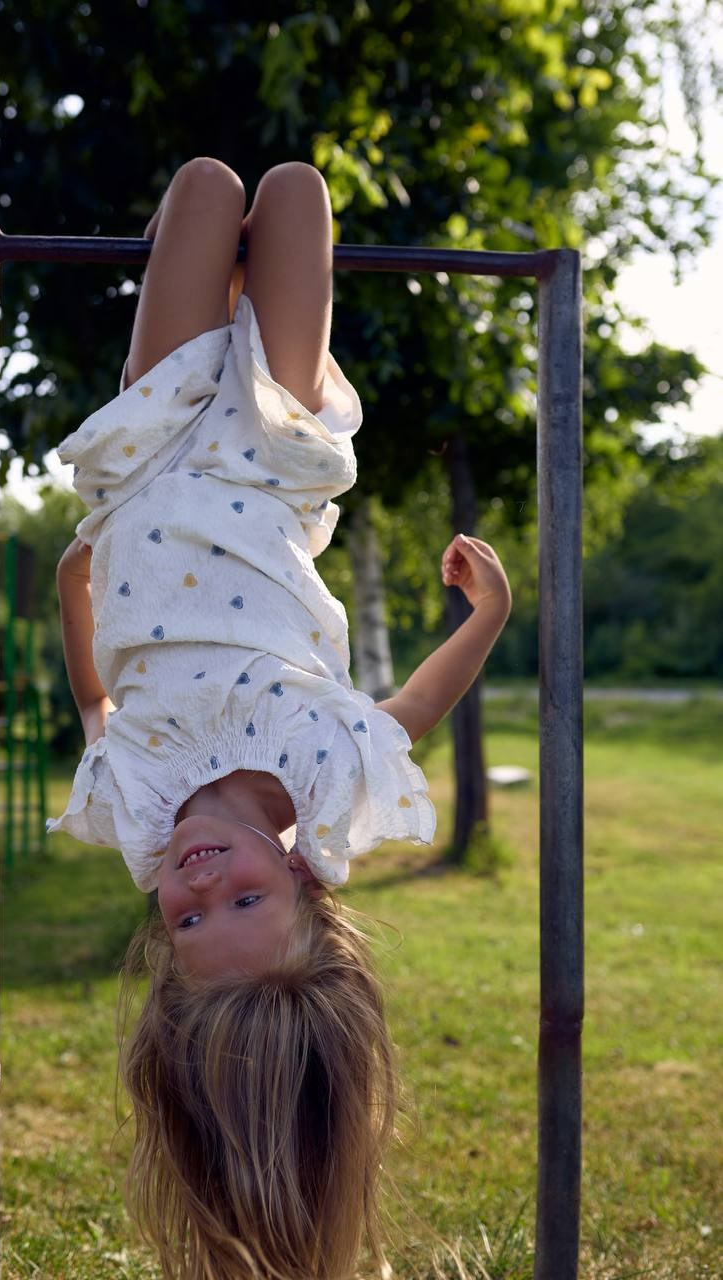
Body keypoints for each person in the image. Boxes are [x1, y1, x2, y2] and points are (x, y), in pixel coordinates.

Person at [48, 158, 511, 1280]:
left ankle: (210, 251)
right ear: (305, 884)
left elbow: (95, 702)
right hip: (266, 463)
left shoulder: (143, 810)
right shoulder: (321, 782)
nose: (202, 883)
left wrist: (77, 597)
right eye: (242, 898)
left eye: (192, 922)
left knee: (205, 189)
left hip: (150, 468)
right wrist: (488, 616)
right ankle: (257, 271)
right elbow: (410, 708)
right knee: (297, 195)